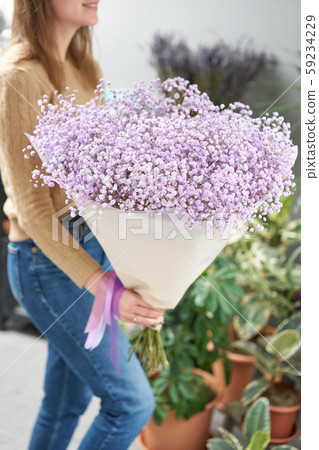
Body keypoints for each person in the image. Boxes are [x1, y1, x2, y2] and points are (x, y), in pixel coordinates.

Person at [0, 1, 166, 449]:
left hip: (91, 246)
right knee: (130, 405)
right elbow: (34, 211)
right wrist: (107, 289)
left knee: (64, 403)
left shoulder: (84, 65)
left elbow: (97, 176)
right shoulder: (18, 77)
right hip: (46, 264)